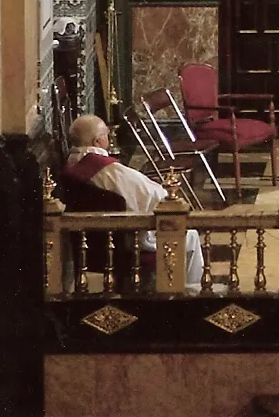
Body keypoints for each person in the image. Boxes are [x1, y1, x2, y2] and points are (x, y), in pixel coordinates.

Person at [63, 114, 205, 292]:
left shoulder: (73, 162)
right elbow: (155, 196)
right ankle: (191, 292)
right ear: (97, 141)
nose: (109, 137)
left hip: (93, 240)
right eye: (107, 134)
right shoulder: (109, 171)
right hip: (127, 239)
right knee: (190, 235)